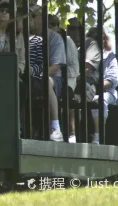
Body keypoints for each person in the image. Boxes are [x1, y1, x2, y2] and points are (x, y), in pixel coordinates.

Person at [28, 5, 66, 142]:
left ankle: (55, 127)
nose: (29, 20)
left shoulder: (54, 38)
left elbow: (55, 67)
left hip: (52, 78)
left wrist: (36, 76)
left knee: (46, 81)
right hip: (29, 77)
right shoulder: (23, 37)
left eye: (32, 16)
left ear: (41, 18)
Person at [49, 14, 80, 143]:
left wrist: (58, 68)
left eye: (52, 25)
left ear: (57, 27)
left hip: (68, 80)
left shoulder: (67, 41)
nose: (50, 28)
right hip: (52, 77)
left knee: (65, 97)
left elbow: (75, 70)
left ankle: (68, 132)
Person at [87, 28, 118, 144]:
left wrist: (95, 87)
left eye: (98, 37)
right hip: (87, 89)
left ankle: (97, 135)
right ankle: (73, 133)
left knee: (99, 100)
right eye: (93, 37)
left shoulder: (110, 56)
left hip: (106, 92)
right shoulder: (85, 54)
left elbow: (112, 80)